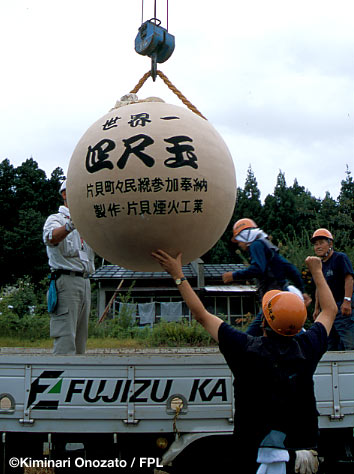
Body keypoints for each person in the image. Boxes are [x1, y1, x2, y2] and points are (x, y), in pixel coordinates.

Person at [152, 249, 337, 473]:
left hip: (251, 455)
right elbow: (330, 310)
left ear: (263, 323)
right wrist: (317, 272)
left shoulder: (245, 348)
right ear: (300, 326)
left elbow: (201, 315)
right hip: (300, 456)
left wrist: (178, 275)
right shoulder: (308, 347)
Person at [222, 218, 311, 336]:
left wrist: (234, 275)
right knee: (279, 328)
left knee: (251, 334)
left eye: (239, 240)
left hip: (272, 298)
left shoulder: (256, 245)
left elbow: (258, 269)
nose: (239, 244)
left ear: (245, 235)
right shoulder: (268, 246)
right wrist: (302, 291)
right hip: (281, 296)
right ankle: (306, 341)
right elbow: (290, 268)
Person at [43, 180, 95, 355]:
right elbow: (51, 238)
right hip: (66, 281)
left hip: (85, 281)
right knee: (66, 337)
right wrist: (70, 225)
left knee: (81, 339)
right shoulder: (55, 219)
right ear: (64, 194)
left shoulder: (88, 222)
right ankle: (60, 380)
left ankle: (76, 378)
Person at [310, 228, 354, 350]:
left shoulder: (340, 258)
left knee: (349, 343)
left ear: (330, 243)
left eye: (321, 243)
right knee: (328, 345)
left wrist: (347, 301)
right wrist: (317, 308)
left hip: (342, 306)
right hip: (327, 310)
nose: (317, 247)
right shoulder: (319, 266)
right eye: (315, 244)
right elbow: (319, 288)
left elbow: (349, 279)